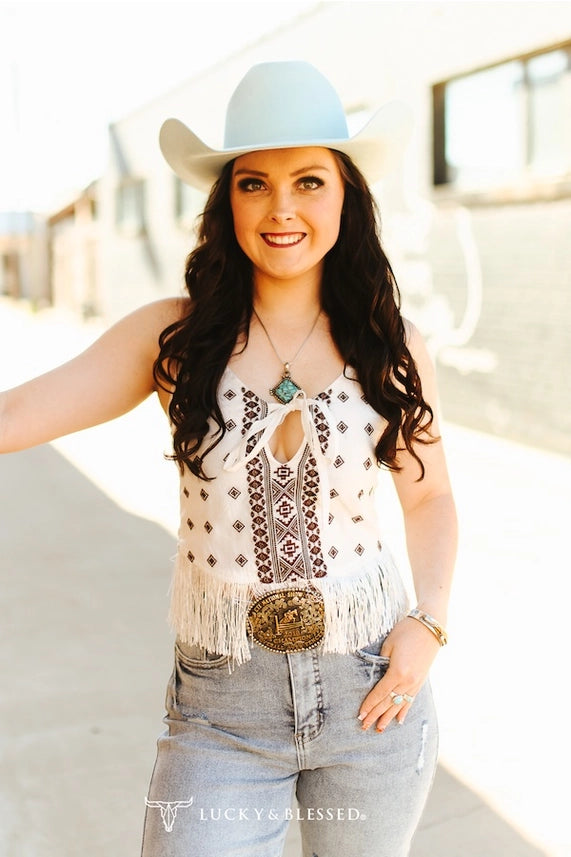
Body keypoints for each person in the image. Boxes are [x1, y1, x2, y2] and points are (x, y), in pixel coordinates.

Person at [0, 61, 457, 857]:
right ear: (227, 201)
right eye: (254, 183)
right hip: (221, 708)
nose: (282, 208)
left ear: (345, 196)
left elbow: (429, 499)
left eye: (309, 181)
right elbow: (18, 413)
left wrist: (428, 624)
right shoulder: (173, 338)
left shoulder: (387, 342)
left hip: (370, 693)